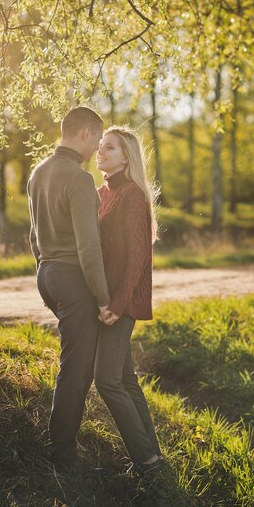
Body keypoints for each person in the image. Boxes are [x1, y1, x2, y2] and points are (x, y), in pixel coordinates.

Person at [27, 106, 110, 472]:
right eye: (96, 139)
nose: (97, 148)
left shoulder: (38, 172)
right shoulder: (78, 179)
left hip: (47, 272)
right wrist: (105, 298)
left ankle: (60, 446)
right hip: (73, 278)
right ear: (84, 134)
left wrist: (44, 271)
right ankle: (62, 456)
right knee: (76, 370)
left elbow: (33, 235)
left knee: (72, 365)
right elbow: (88, 249)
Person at [94, 126, 162, 475]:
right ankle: (153, 456)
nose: (100, 151)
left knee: (106, 379)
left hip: (118, 302)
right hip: (106, 300)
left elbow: (137, 257)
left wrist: (117, 305)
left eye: (109, 147)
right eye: (100, 145)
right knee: (125, 377)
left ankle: (145, 459)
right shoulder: (103, 191)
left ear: (126, 157)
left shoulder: (132, 195)